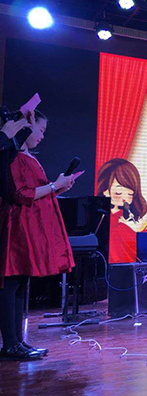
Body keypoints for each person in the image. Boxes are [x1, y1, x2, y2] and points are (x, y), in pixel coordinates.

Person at [0, 111, 76, 360]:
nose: (42, 136)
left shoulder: (27, 157)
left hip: (28, 224)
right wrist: (54, 185)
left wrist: (58, 187)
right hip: (17, 225)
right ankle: (10, 344)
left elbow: (35, 191)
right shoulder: (13, 156)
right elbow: (21, 193)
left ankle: (17, 341)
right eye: (40, 130)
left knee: (21, 282)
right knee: (11, 283)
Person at [96, 158, 147, 264]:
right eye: (118, 192)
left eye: (130, 194)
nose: (125, 198)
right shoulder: (105, 218)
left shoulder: (125, 219)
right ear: (106, 191)